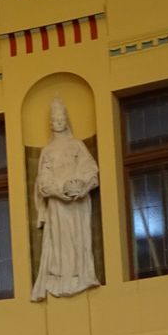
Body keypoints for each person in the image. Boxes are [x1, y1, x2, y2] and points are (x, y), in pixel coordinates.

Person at [30, 97, 100, 302]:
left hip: (78, 202)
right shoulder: (48, 151)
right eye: (55, 119)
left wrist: (82, 187)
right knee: (61, 240)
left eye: (61, 118)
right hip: (58, 203)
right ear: (51, 123)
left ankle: (81, 274)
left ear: (66, 120)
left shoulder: (77, 146)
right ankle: (61, 276)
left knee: (79, 237)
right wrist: (59, 191)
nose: (59, 122)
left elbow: (91, 171)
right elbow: (43, 181)